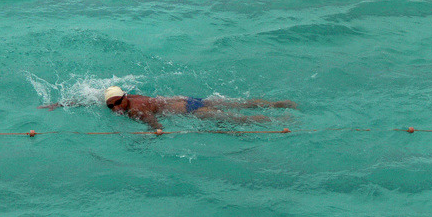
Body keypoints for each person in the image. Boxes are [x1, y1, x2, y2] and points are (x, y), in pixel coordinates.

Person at [41, 87, 296, 131]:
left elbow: (154, 122)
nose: (115, 108)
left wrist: (155, 133)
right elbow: (88, 98)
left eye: (118, 104)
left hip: (186, 110)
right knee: (234, 104)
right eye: (111, 107)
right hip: (180, 99)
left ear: (125, 98)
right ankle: (279, 104)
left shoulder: (135, 111)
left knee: (232, 119)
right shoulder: (120, 99)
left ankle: (279, 118)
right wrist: (60, 104)